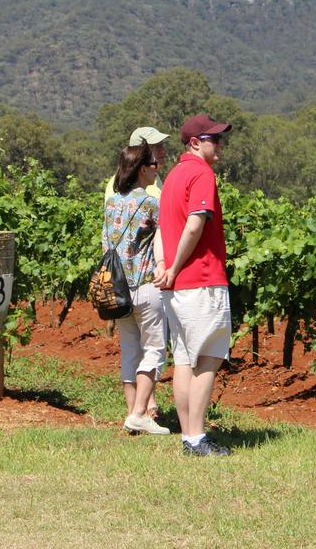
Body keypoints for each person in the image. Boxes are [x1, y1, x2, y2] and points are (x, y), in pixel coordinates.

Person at [155, 113, 233, 457]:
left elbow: (161, 230)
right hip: (201, 279)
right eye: (214, 139)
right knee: (208, 359)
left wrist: (164, 267)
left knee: (185, 359)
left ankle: (188, 437)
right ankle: (197, 439)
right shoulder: (202, 174)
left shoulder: (172, 177)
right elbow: (195, 224)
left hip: (178, 287)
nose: (220, 145)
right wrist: (175, 266)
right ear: (195, 143)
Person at [103, 142, 170, 436]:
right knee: (155, 349)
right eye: (154, 164)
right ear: (143, 169)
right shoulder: (153, 204)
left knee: (129, 351)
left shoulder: (111, 203)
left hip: (117, 290)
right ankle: (141, 413)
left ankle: (131, 415)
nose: (158, 169)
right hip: (144, 286)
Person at [104, 126, 170, 203]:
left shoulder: (154, 177)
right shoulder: (120, 182)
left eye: (162, 145)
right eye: (156, 146)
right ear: (139, 153)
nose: (163, 150)